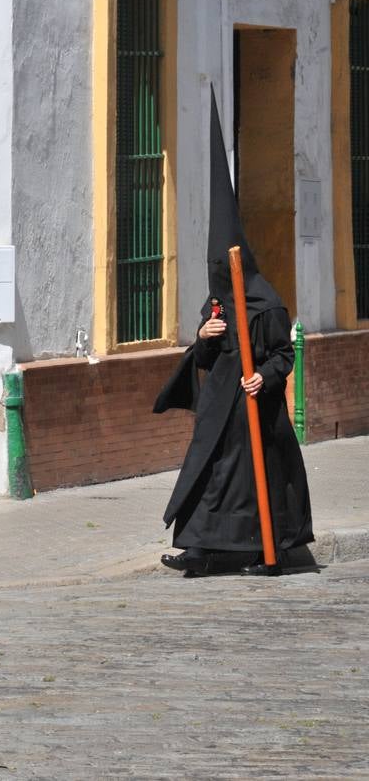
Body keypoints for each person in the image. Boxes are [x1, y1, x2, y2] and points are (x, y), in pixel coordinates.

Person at [153, 94, 313, 576]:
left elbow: (285, 355)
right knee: (209, 478)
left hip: (255, 414)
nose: (219, 279)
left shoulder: (269, 305)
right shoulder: (216, 304)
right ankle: (199, 550)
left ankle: (269, 552)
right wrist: (205, 333)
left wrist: (263, 377)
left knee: (254, 482)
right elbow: (203, 359)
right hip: (218, 412)